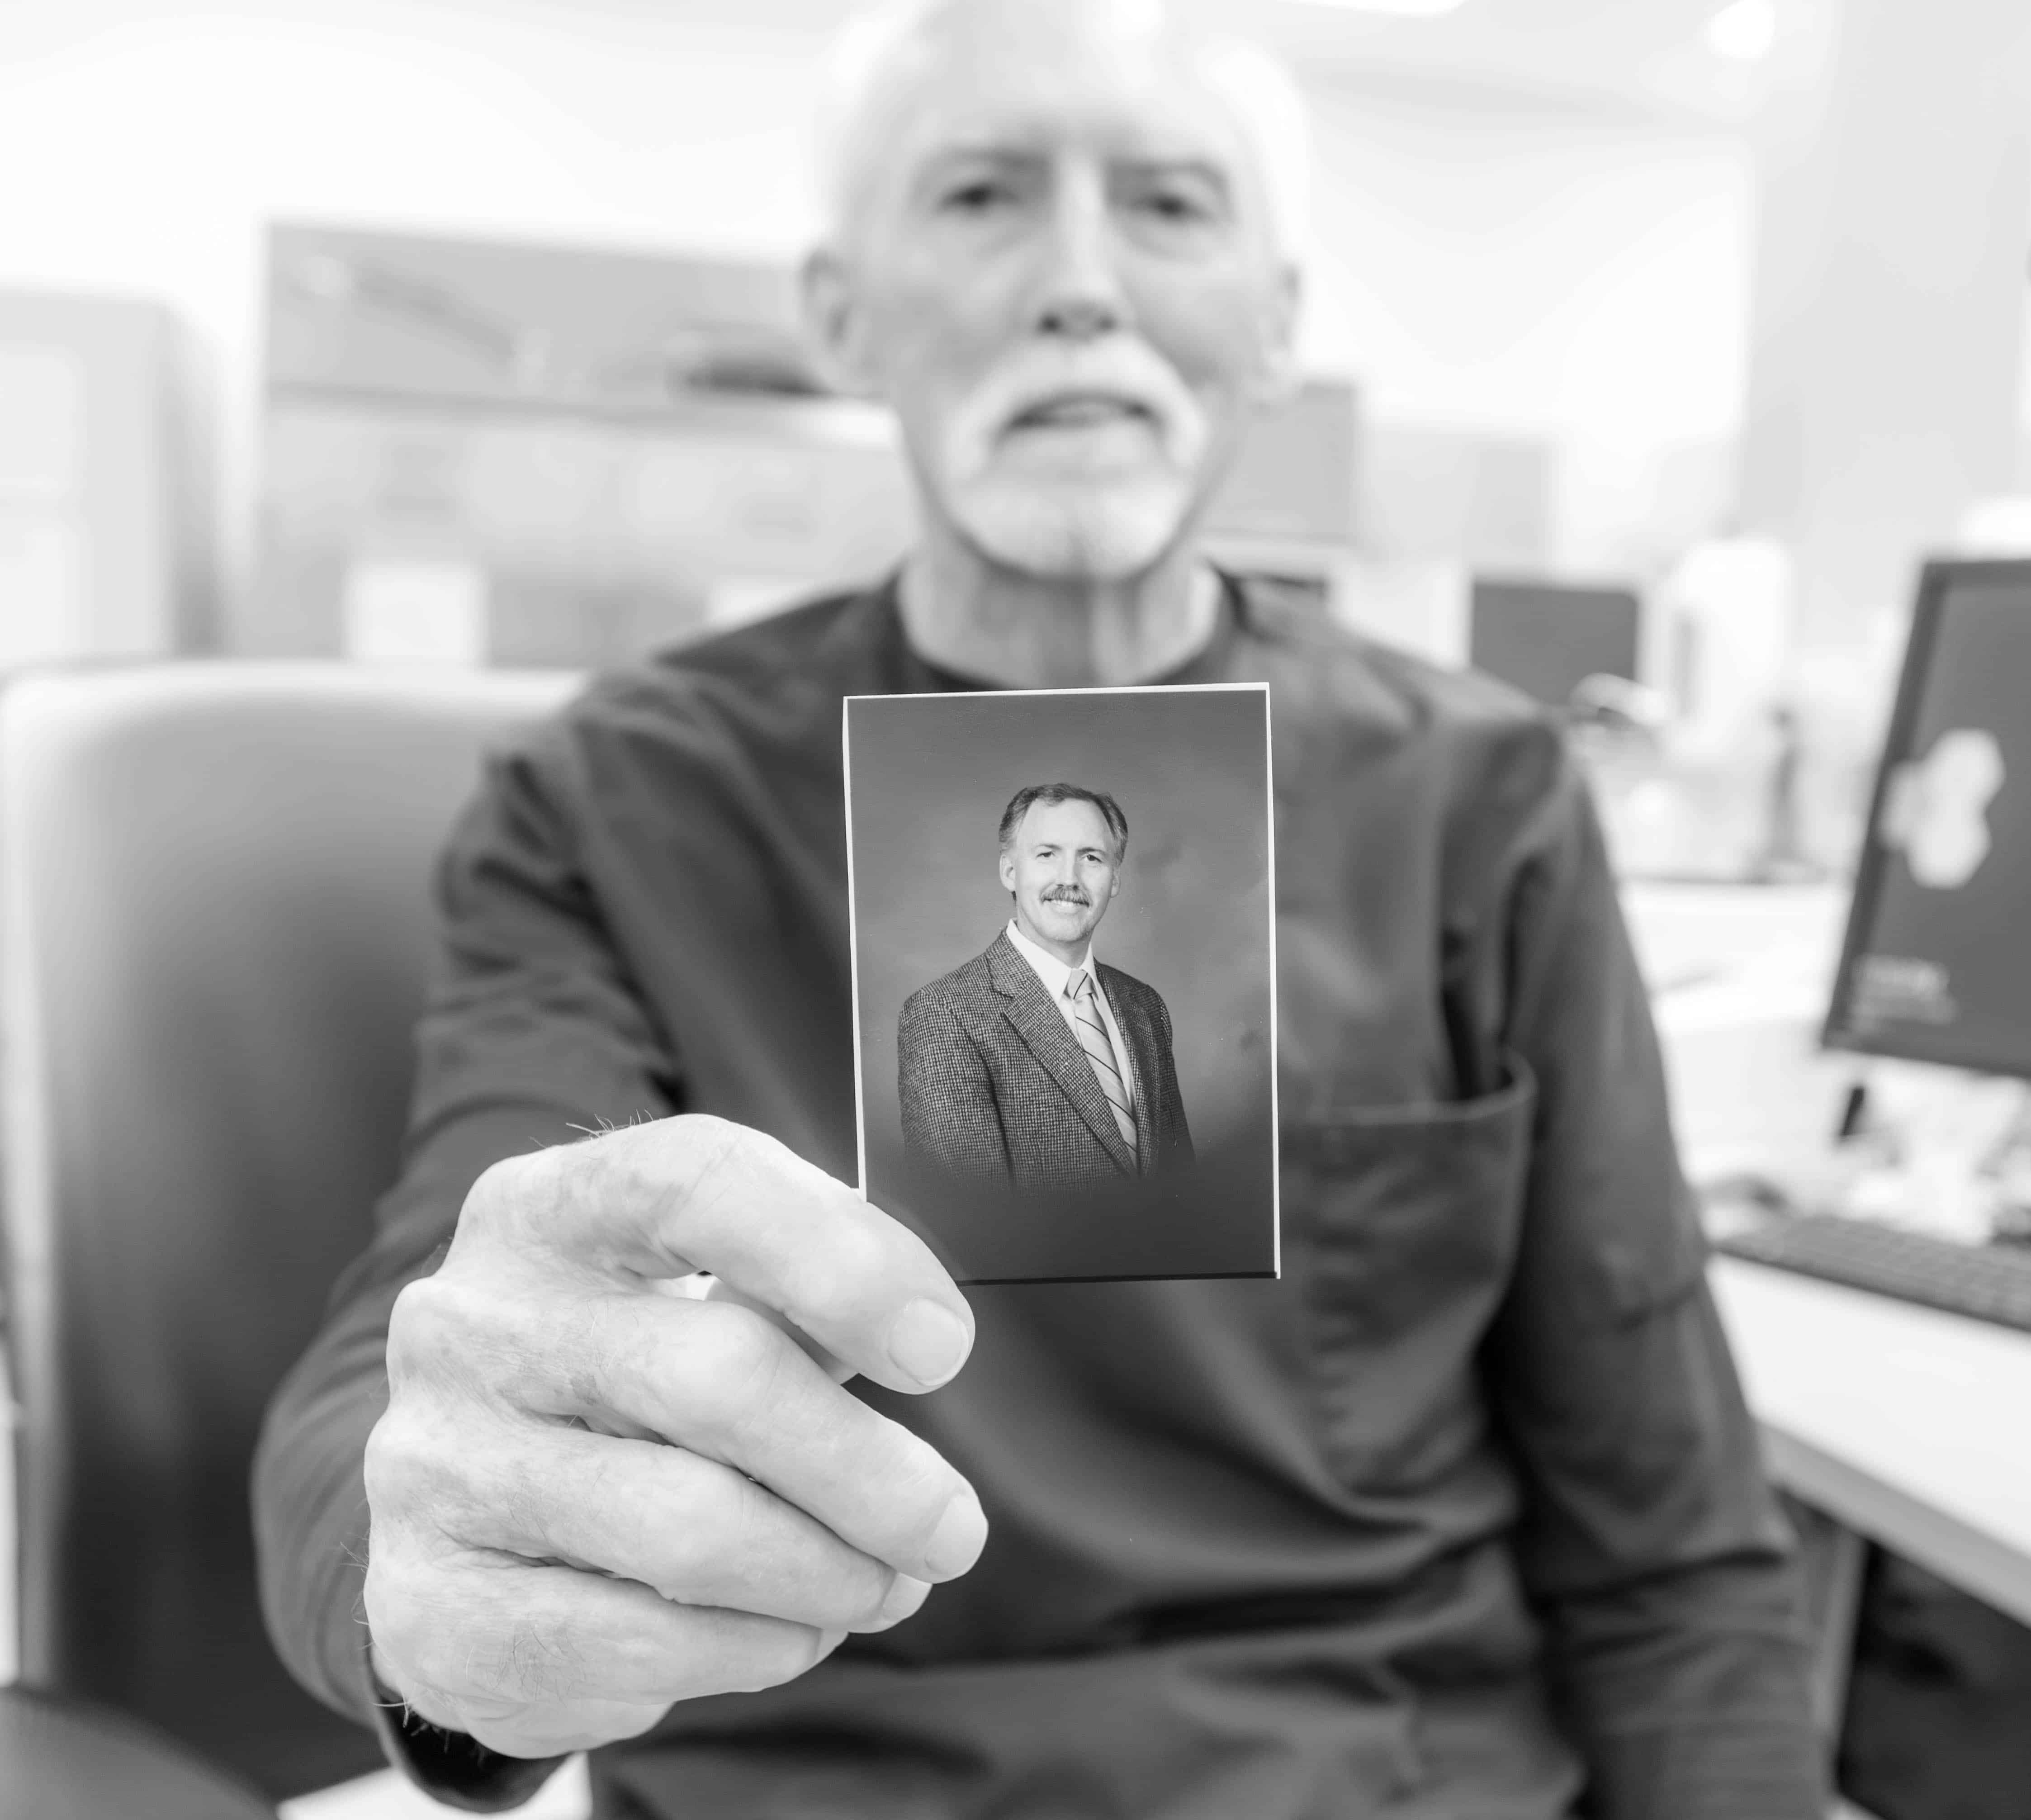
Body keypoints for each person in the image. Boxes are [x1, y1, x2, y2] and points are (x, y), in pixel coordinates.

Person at [251, 0, 1827, 1814]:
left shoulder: (1480, 802)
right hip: (836, 1771)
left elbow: (1668, 1538)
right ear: (844, 314)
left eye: (1168, 204)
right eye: (984, 195)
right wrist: (433, 1574)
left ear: (1275, 319)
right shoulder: (620, 802)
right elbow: (426, 1336)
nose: (1081, 282)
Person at [899, 782, 1193, 1191]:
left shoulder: (1145, 1007)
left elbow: (1185, 1188)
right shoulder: (944, 1014)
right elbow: (973, 1220)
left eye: (1091, 858)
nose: (1069, 879)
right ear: (1009, 871)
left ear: (1115, 880)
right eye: (1046, 855)